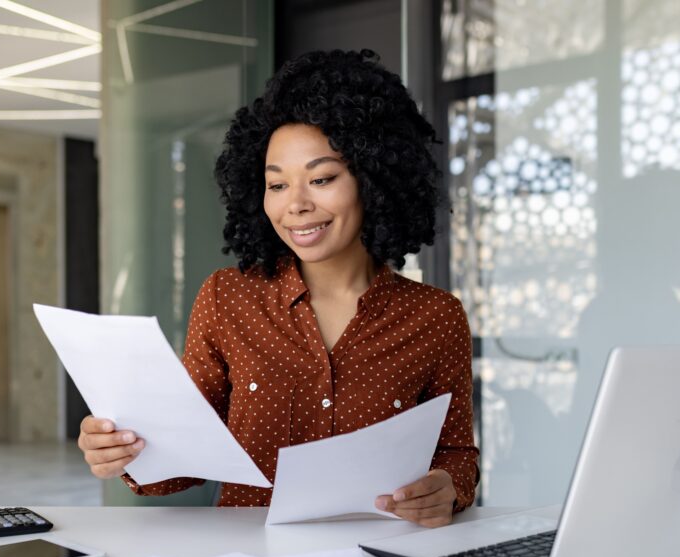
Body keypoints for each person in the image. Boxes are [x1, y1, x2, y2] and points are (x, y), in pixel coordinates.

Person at [77, 49, 479, 528]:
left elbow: (457, 454)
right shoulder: (228, 299)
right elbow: (178, 466)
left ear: (373, 180)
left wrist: (448, 488)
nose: (297, 205)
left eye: (322, 178)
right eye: (277, 185)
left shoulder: (435, 317)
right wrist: (124, 450)